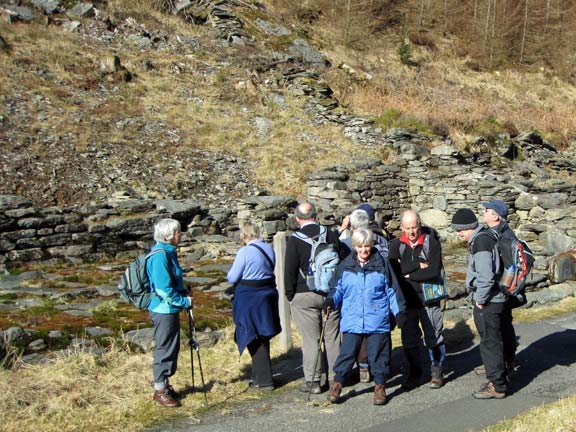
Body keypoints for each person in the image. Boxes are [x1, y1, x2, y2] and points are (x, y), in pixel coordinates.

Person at [322, 228, 405, 405]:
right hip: (352, 319)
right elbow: (337, 289)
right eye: (360, 246)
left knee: (378, 355)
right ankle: (337, 384)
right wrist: (330, 302)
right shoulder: (345, 266)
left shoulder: (382, 264)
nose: (364, 250)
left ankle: (380, 387)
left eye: (367, 246)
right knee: (347, 353)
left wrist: (399, 312)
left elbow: (392, 291)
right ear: (354, 246)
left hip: (377, 319)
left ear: (372, 245)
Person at [451, 206, 509, 399]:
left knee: (489, 343)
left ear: (468, 227)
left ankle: (497, 386)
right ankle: (502, 375)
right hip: (498, 298)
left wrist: (479, 300)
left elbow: (485, 276)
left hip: (489, 300)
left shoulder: (480, 243)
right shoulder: (487, 236)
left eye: (459, 230)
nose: (458, 234)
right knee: (497, 339)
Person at [284, 202, 342, 394]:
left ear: (297, 218)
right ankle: (336, 378)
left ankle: (313, 381)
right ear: (316, 215)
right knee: (332, 337)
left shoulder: (294, 240)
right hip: (330, 293)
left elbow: (289, 271)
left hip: (304, 294)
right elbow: (343, 257)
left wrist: (290, 295)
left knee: (311, 340)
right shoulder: (330, 234)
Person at [388, 210, 446, 390]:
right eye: (407, 228)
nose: (412, 232)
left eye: (414, 227)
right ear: (402, 228)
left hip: (429, 299)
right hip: (407, 301)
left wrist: (408, 274)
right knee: (409, 340)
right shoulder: (395, 245)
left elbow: (433, 271)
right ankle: (415, 372)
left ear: (419, 225)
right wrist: (416, 267)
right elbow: (394, 273)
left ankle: (437, 371)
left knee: (434, 336)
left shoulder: (432, 244)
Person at [227, 221, 282, 391]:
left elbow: (232, 277)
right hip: (267, 295)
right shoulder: (268, 249)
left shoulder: (244, 252)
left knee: (253, 335)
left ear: (244, 235)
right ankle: (260, 376)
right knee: (263, 334)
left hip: (249, 298)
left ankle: (264, 380)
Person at [147, 218, 193, 408]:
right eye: (177, 232)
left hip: (169, 308)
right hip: (163, 309)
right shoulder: (160, 256)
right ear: (168, 236)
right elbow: (163, 289)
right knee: (165, 347)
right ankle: (160, 390)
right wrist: (183, 301)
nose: (180, 235)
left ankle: (164, 385)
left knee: (171, 347)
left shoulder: (168, 252)